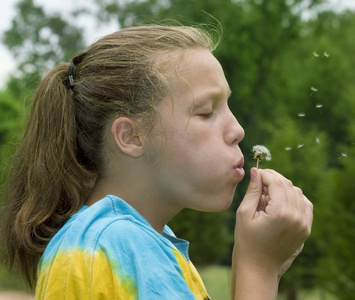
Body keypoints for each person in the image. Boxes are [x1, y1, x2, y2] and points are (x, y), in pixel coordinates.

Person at [0, 25, 313, 299]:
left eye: (227, 106)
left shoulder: (145, 244)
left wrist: (261, 266)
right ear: (132, 136)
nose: (237, 130)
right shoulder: (107, 250)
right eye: (206, 112)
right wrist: (257, 267)